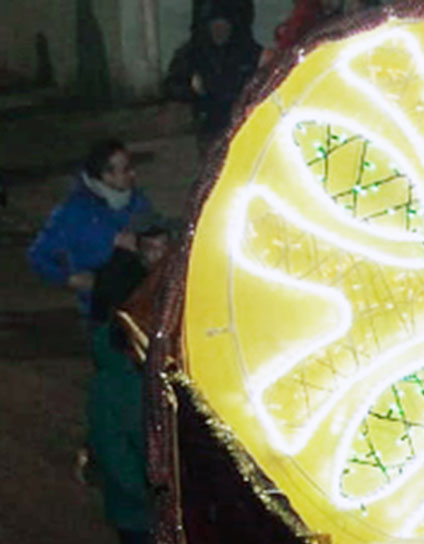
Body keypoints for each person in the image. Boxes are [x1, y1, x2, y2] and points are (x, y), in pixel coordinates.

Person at [85, 212, 175, 544]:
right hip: (137, 508)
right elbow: (116, 455)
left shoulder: (131, 377)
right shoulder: (113, 390)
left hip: (151, 500)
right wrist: (151, 494)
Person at [28, 138, 154, 316]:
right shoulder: (74, 212)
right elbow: (38, 255)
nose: (133, 174)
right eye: (125, 170)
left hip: (142, 305)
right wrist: (69, 278)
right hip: (103, 312)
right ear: (106, 175)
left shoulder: (139, 202)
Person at [163, 3, 261, 149]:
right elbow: (171, 86)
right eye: (215, 26)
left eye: (223, 26)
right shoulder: (192, 53)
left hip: (243, 122)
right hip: (208, 124)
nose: (219, 31)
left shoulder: (248, 52)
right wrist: (193, 87)